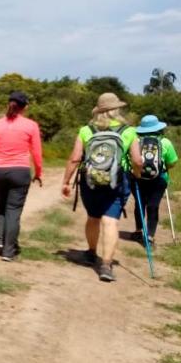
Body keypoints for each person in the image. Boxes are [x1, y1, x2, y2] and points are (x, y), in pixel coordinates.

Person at [61, 92, 143, 282]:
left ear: (98, 111)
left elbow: (75, 158)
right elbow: (137, 160)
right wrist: (137, 175)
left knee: (93, 217)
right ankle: (106, 265)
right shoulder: (129, 131)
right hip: (117, 180)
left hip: (90, 181)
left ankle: (91, 253)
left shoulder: (86, 130)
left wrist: (66, 181)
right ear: (117, 109)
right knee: (110, 220)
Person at [0, 91, 43, 262]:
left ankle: (0, 242)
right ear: (26, 107)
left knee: (1, 206)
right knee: (13, 210)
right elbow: (37, 152)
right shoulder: (31, 125)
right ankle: (9, 250)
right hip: (20, 171)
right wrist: (38, 172)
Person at [131, 114, 178, 248]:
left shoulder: (136, 142)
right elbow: (173, 162)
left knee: (139, 203)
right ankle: (150, 237)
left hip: (139, 177)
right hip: (159, 180)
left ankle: (138, 231)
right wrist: (163, 168)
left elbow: (132, 160)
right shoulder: (165, 142)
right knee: (153, 206)